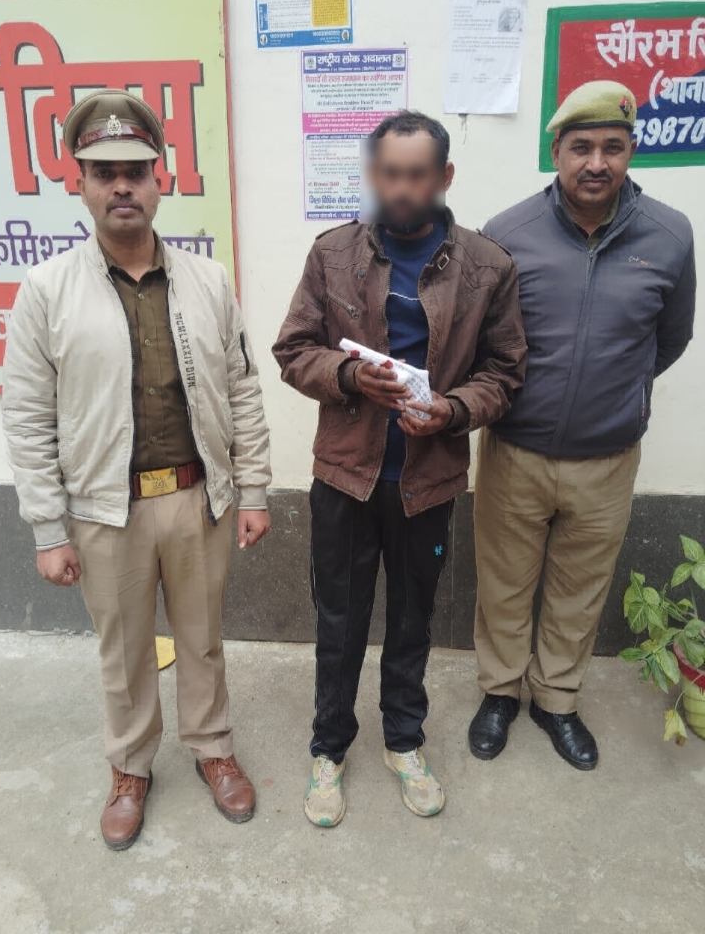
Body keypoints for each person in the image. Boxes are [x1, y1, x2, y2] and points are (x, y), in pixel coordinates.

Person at [2, 90, 272, 849]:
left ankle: (213, 748)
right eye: (104, 173)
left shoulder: (208, 281)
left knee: (202, 638)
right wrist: (48, 528)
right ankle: (130, 767)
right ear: (80, 185)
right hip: (103, 511)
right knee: (123, 653)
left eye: (136, 172)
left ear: (161, 181)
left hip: (195, 498)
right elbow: (27, 417)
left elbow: (243, 388)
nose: (121, 186)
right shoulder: (46, 290)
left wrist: (253, 488)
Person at [273, 111, 527, 826]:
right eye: (389, 173)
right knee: (340, 620)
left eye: (417, 174)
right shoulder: (333, 254)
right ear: (373, 174)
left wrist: (452, 410)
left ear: (444, 176)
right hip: (345, 477)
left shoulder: (487, 266)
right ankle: (329, 748)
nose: (402, 188)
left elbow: (506, 373)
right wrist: (349, 374)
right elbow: (293, 350)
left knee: (413, 620)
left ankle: (403, 742)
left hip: (428, 480)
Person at [469, 80, 696, 770]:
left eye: (613, 147)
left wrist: (617, 396)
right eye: (582, 147)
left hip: (607, 460)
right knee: (504, 582)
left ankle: (557, 700)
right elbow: (483, 342)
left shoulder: (670, 236)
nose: (597, 162)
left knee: (580, 589)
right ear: (556, 153)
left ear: (632, 152)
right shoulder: (507, 234)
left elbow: (670, 339)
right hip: (515, 451)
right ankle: (500, 692)